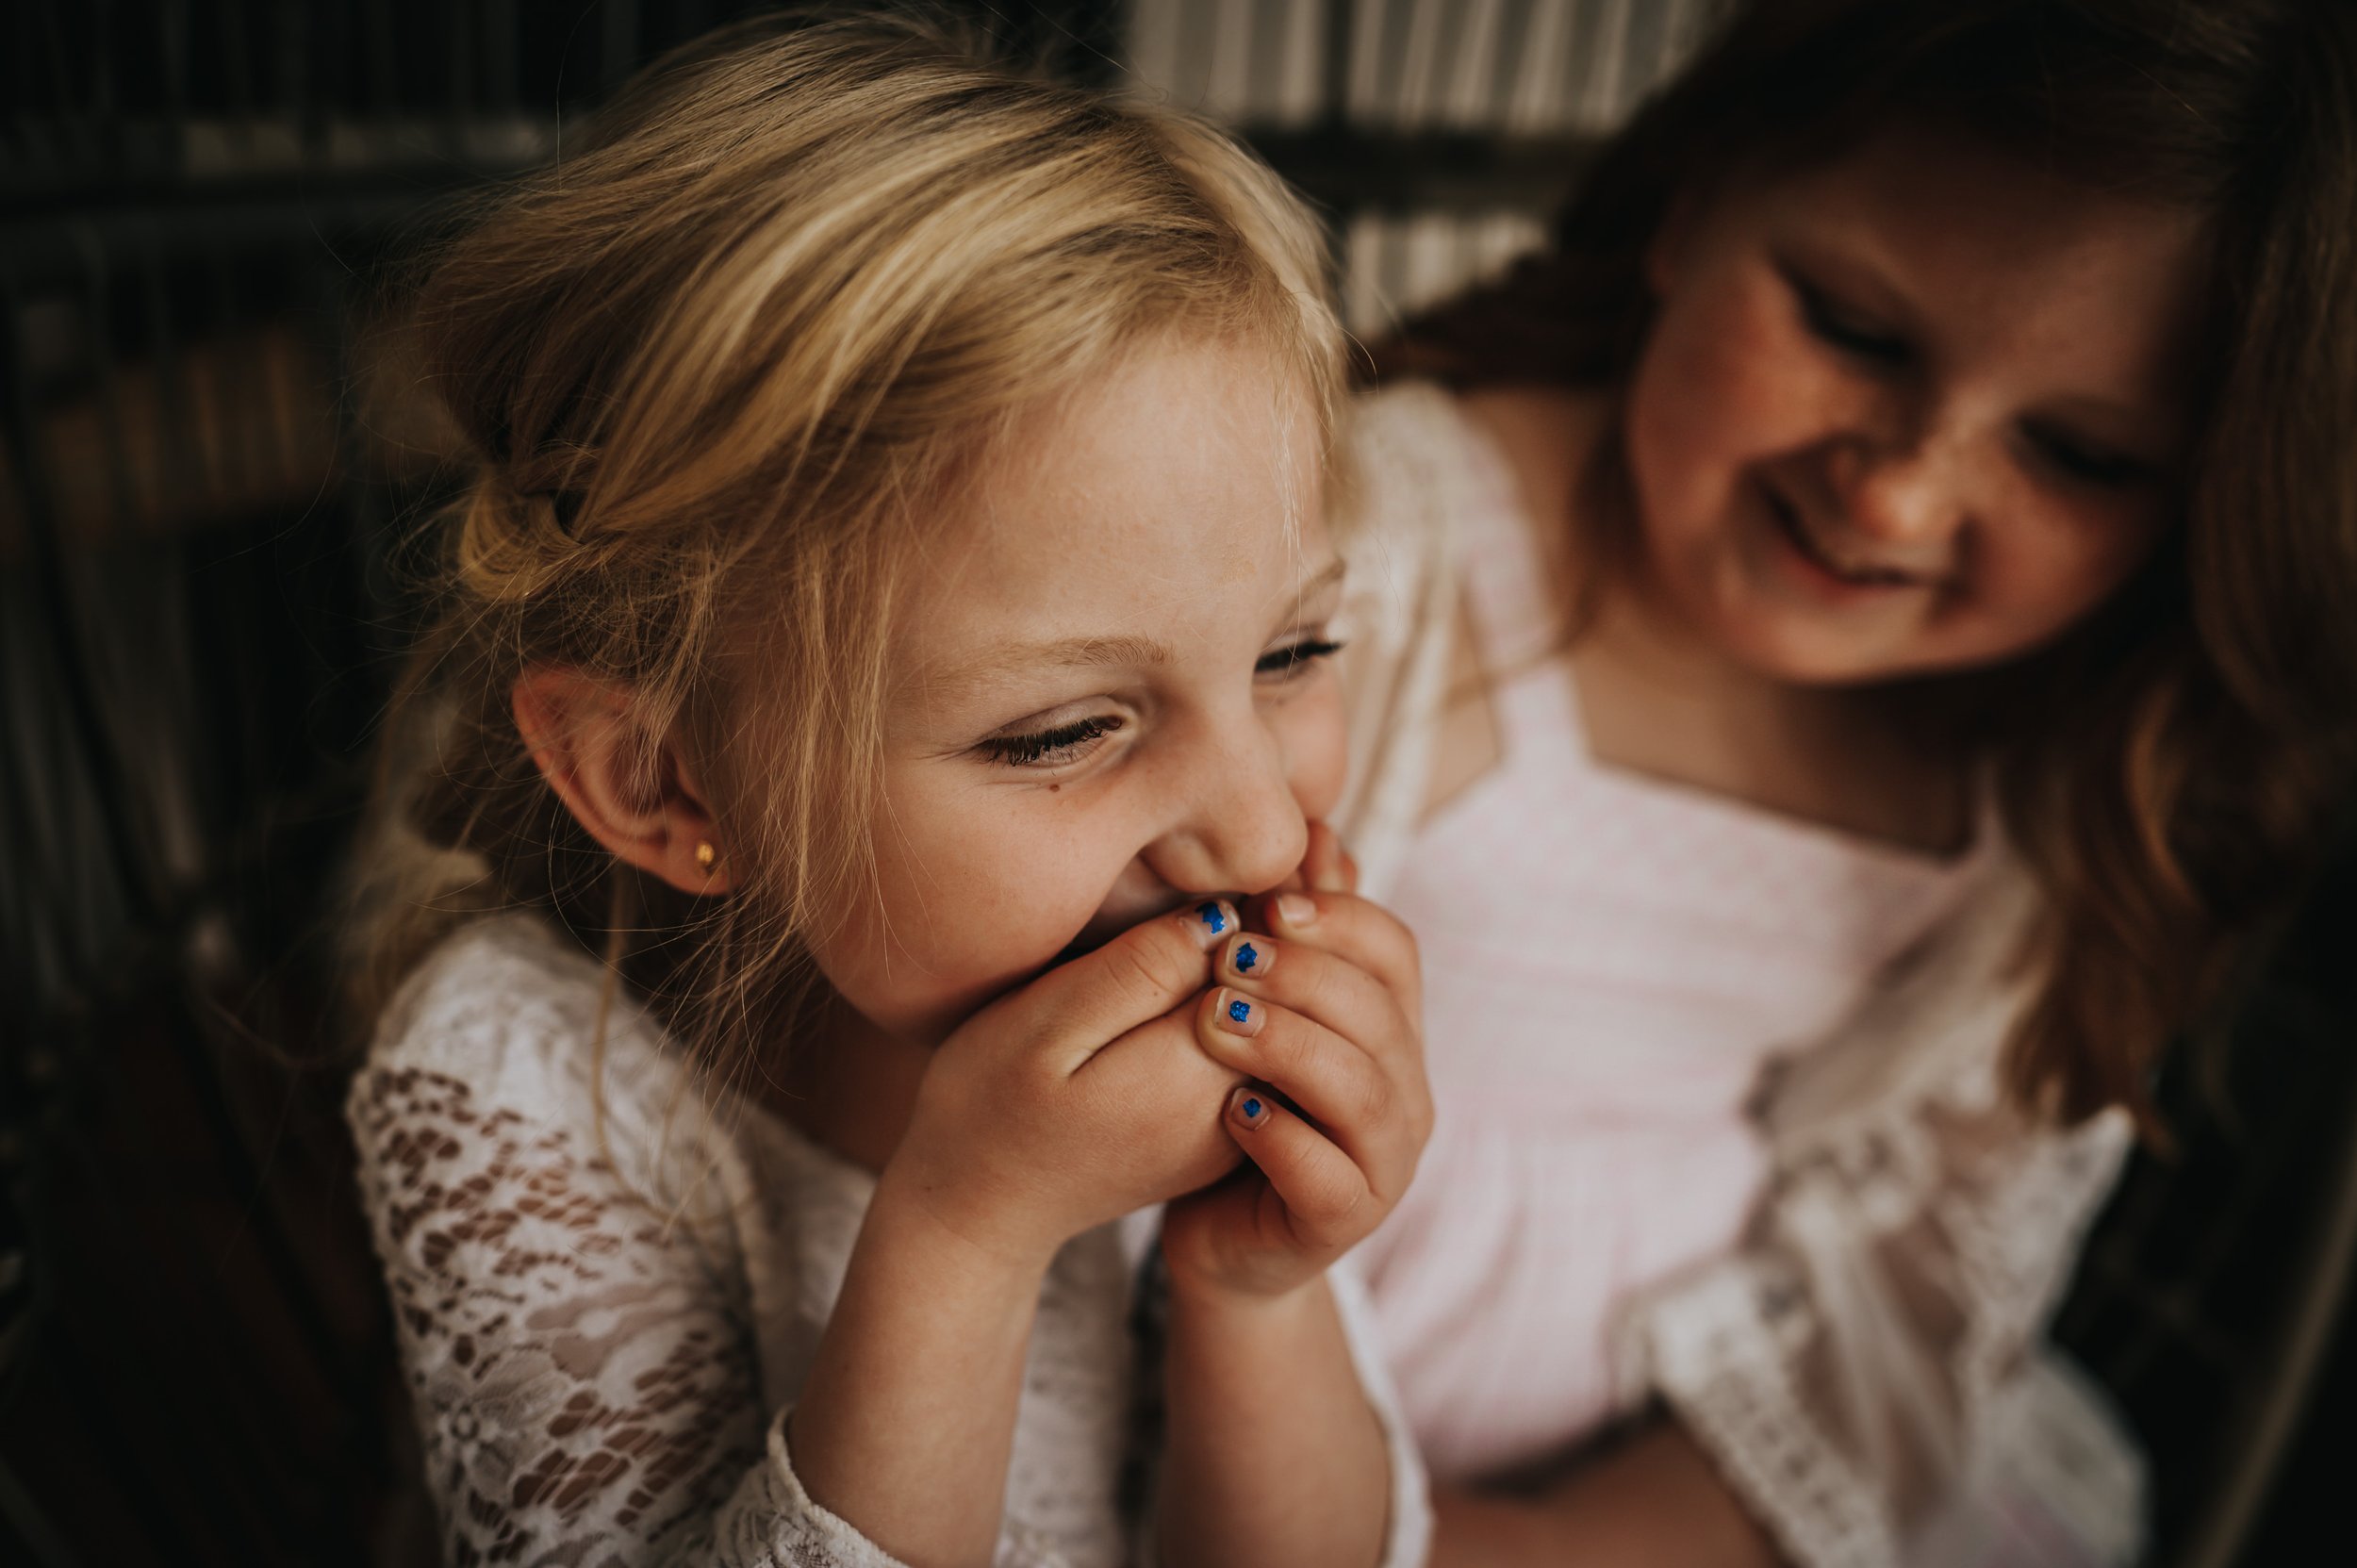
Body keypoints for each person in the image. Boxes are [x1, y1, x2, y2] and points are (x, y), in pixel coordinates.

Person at [340, 13, 1433, 1567]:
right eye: (1059, 733)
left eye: (1293, 649)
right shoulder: (521, 1078)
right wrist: (966, 1229)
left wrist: (1252, 1285)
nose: (1259, 832)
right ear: (662, 779)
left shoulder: (1190, 1041)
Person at [1322, 0, 2357, 1563]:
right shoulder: (1371, 563)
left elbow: (1901, 1316)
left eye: (2077, 456)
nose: (1897, 488)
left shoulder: (2054, 801)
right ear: (1695, 203)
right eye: (1856, 334)